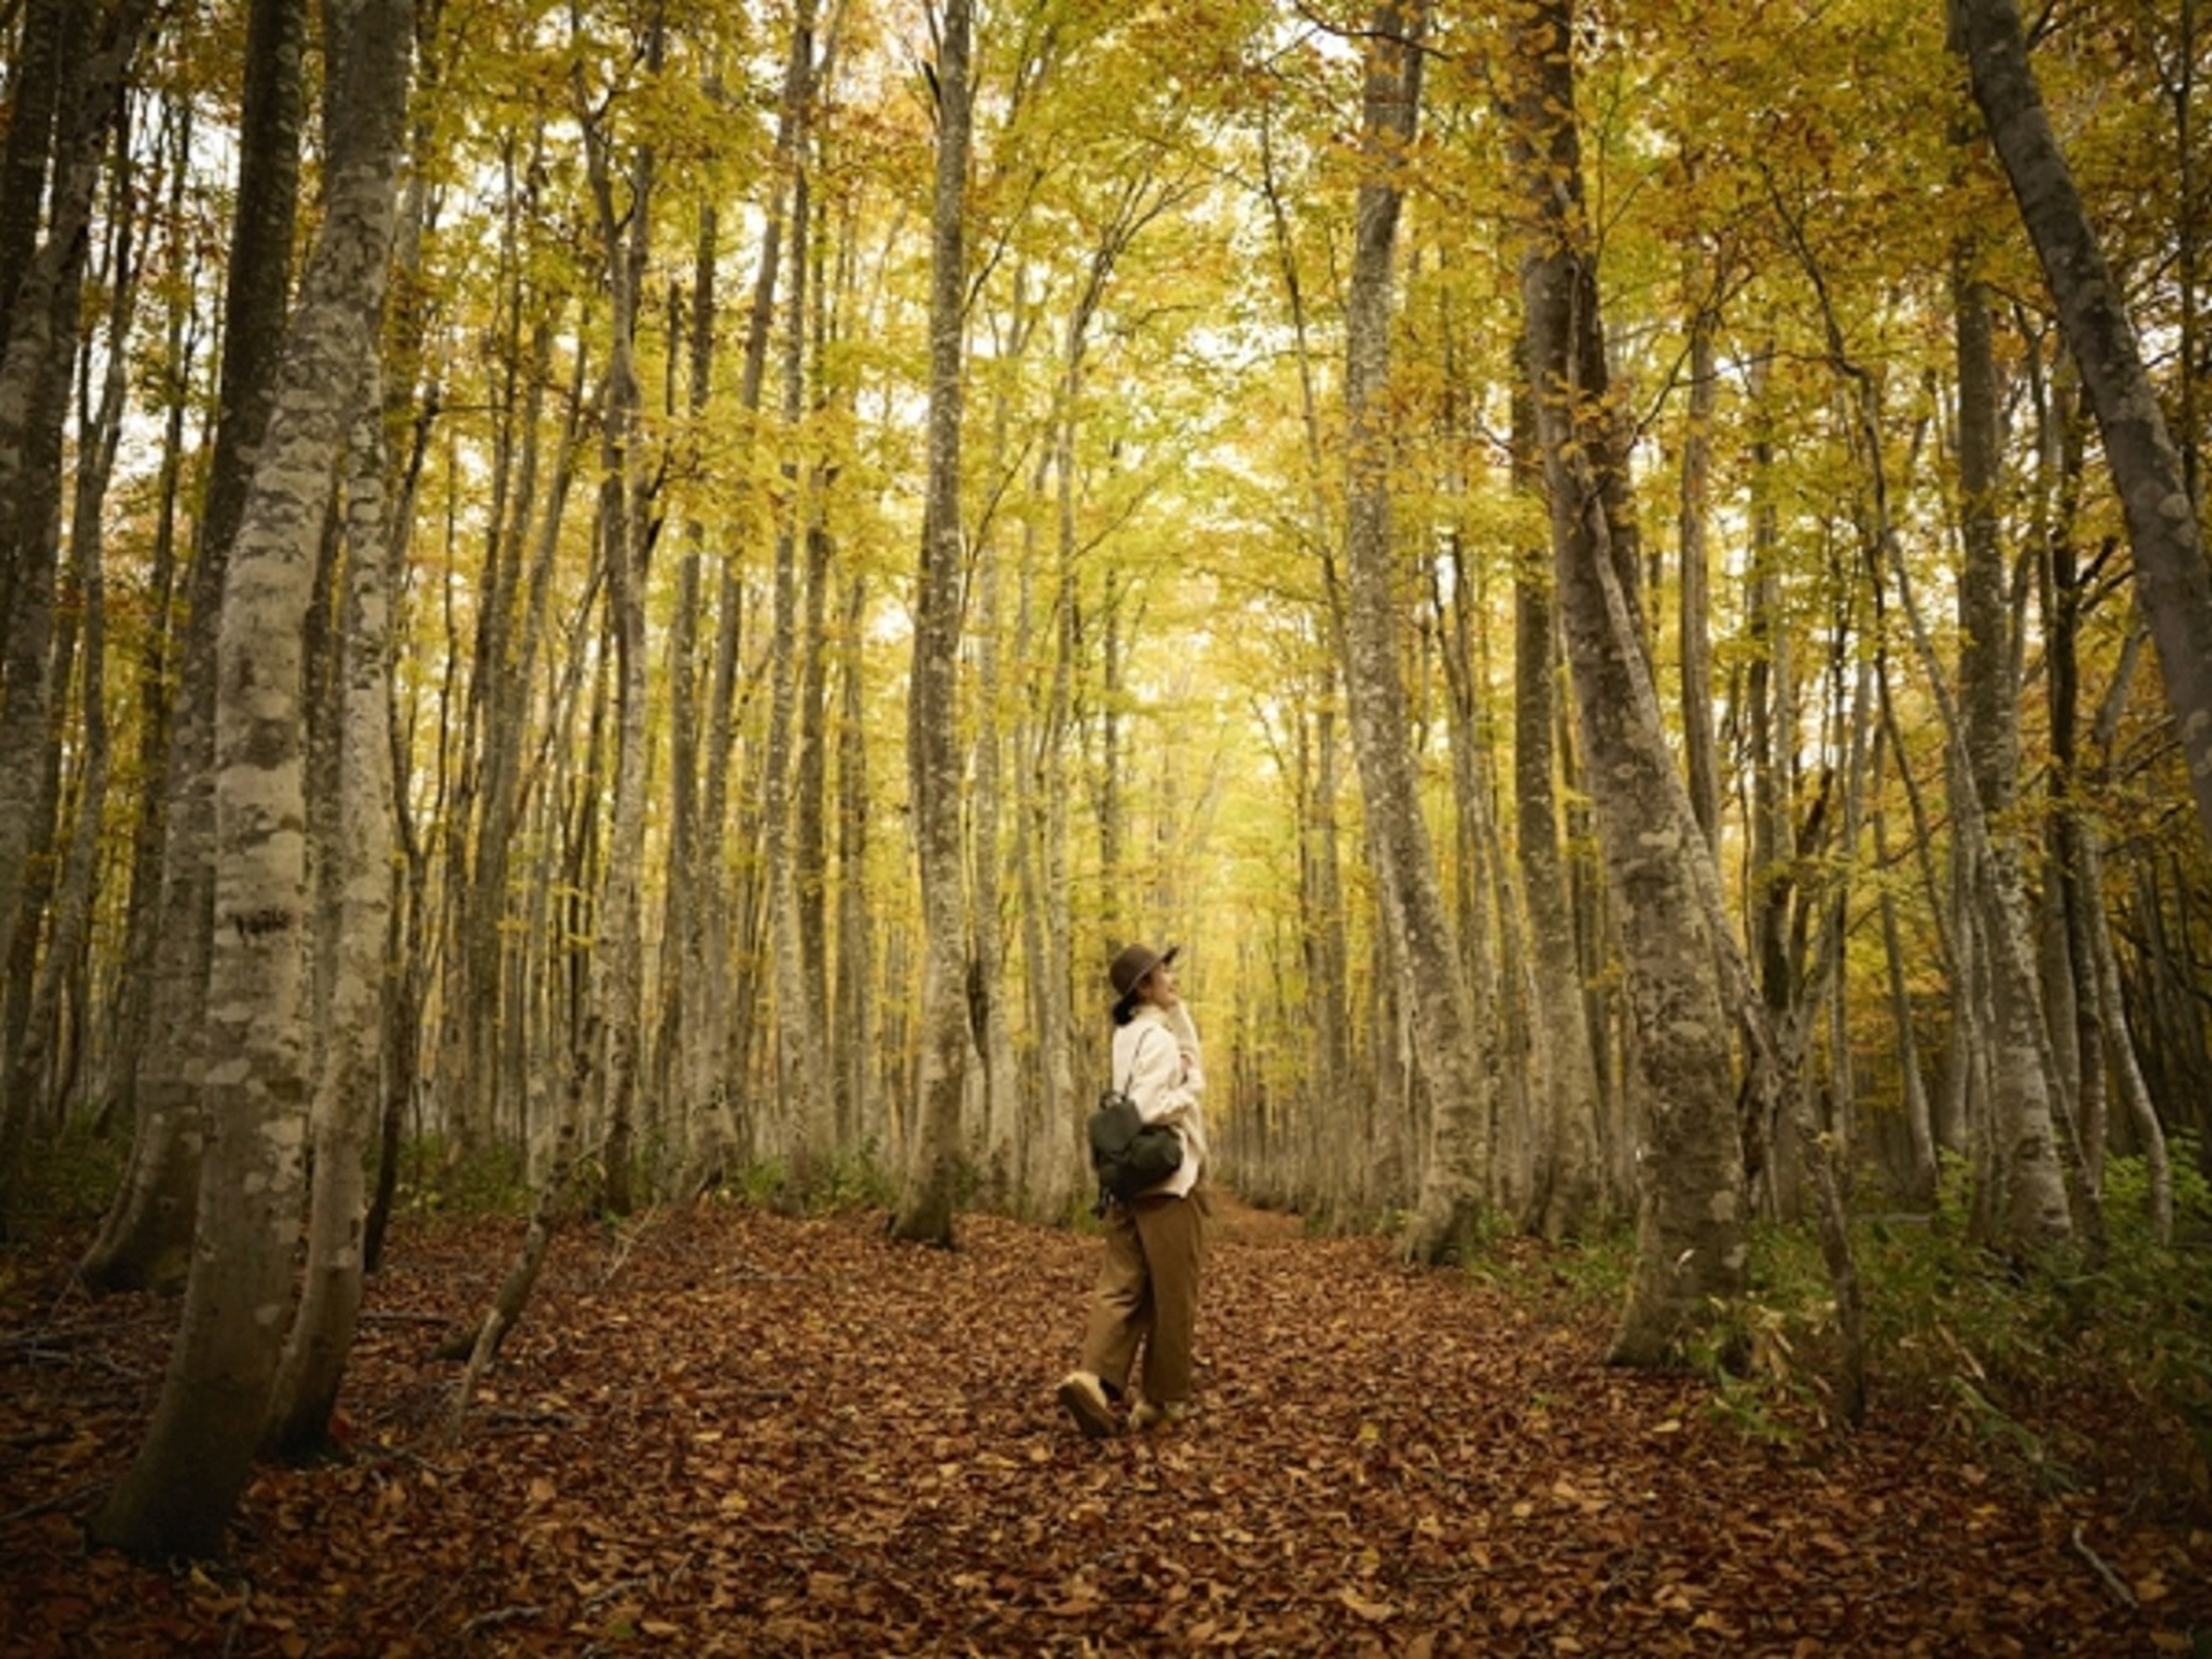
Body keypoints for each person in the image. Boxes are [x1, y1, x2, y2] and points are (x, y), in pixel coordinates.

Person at [1056, 941, 1209, 1438]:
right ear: (1144, 984)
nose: (1174, 979)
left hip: (1125, 1179)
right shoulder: (1160, 1042)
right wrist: (1191, 1090)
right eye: (1166, 974)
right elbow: (1144, 1108)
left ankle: (1093, 1381)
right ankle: (1162, 1402)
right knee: (1173, 1294)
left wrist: (1177, 1011)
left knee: (1121, 1283)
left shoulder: (1129, 1035)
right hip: (1167, 1180)